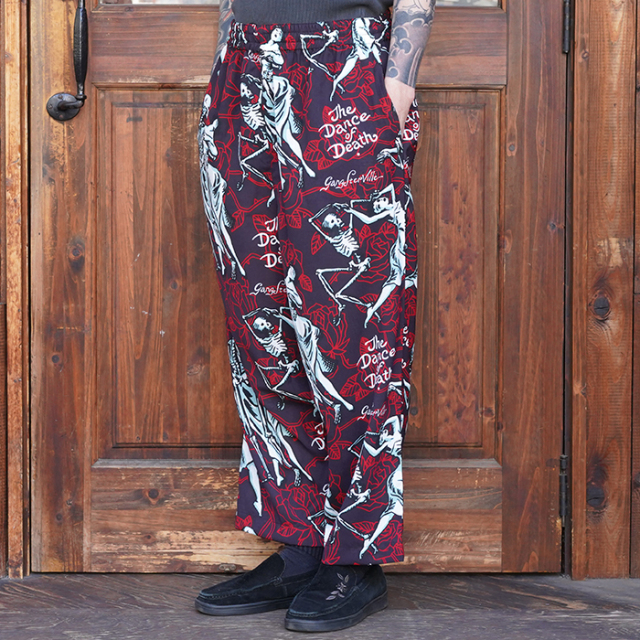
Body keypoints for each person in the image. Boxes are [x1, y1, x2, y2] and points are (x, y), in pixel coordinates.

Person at [195, 0, 435, 632]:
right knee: (261, 320)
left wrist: (395, 88)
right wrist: (229, 50)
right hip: (242, 71)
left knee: (355, 329)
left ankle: (357, 553)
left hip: (342, 68)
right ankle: (300, 544)